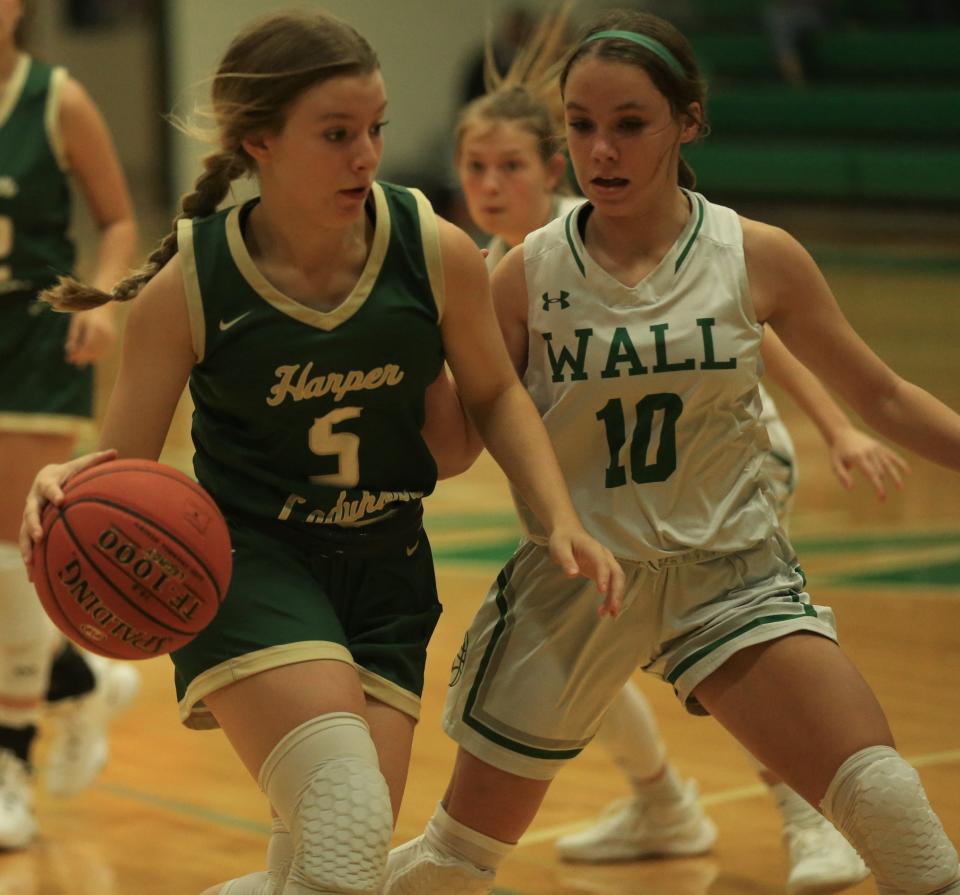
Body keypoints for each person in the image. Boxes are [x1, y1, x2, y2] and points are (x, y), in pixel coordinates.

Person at [18, 10, 623, 894]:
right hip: (250, 565)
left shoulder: (430, 248)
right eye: (337, 135)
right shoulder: (193, 283)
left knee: (333, 867)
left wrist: (558, 517)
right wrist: (65, 485)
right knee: (346, 811)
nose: (367, 155)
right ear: (258, 141)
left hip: (388, 572)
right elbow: (125, 470)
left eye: (375, 129)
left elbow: (493, 392)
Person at [381, 11, 960, 895]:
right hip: (575, 583)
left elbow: (881, 395)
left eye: (628, 124)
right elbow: (454, 446)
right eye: (580, 125)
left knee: (896, 816)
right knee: (449, 868)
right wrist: (410, 350)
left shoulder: (754, 254)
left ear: (688, 122)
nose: (600, 150)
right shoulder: (524, 274)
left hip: (727, 572)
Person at [0, 0, 139, 849]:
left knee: (10, 553)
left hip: (36, 334)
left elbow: (119, 220)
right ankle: (81, 676)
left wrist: (102, 298)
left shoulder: (56, 97)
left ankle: (10, 762)